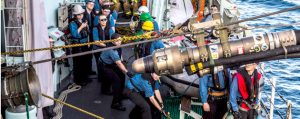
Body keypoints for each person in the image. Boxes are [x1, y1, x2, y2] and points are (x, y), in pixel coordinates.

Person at [99, 33, 134, 111]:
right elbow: (118, 62)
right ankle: (115, 103)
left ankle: (120, 94)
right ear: (113, 42)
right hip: (104, 66)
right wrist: (127, 71)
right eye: (117, 41)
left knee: (121, 76)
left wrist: (122, 62)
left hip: (110, 63)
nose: (119, 42)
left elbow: (119, 55)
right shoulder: (112, 50)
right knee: (116, 81)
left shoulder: (117, 46)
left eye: (120, 41)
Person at [69, 5, 90, 86]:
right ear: (75, 15)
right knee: (78, 63)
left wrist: (88, 43)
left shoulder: (84, 21)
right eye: (78, 14)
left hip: (85, 44)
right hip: (78, 46)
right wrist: (81, 27)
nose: (80, 15)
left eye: (81, 14)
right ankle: (79, 80)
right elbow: (74, 34)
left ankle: (85, 78)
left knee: (85, 62)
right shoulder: (72, 23)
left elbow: (87, 33)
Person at [93, 14, 114, 87]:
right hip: (98, 49)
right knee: (99, 64)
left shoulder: (110, 29)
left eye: (105, 19)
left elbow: (112, 39)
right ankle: (101, 78)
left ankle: (106, 78)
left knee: (107, 64)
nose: (104, 21)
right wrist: (106, 45)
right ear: (99, 21)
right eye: (102, 20)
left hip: (107, 49)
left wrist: (104, 44)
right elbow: (96, 41)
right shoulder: (95, 29)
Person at [84, 0, 97, 75]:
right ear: (86, 4)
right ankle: (86, 72)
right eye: (90, 4)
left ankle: (89, 70)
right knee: (86, 55)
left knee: (90, 55)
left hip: (91, 36)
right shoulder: (83, 13)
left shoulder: (92, 12)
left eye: (93, 4)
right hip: (86, 38)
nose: (92, 5)